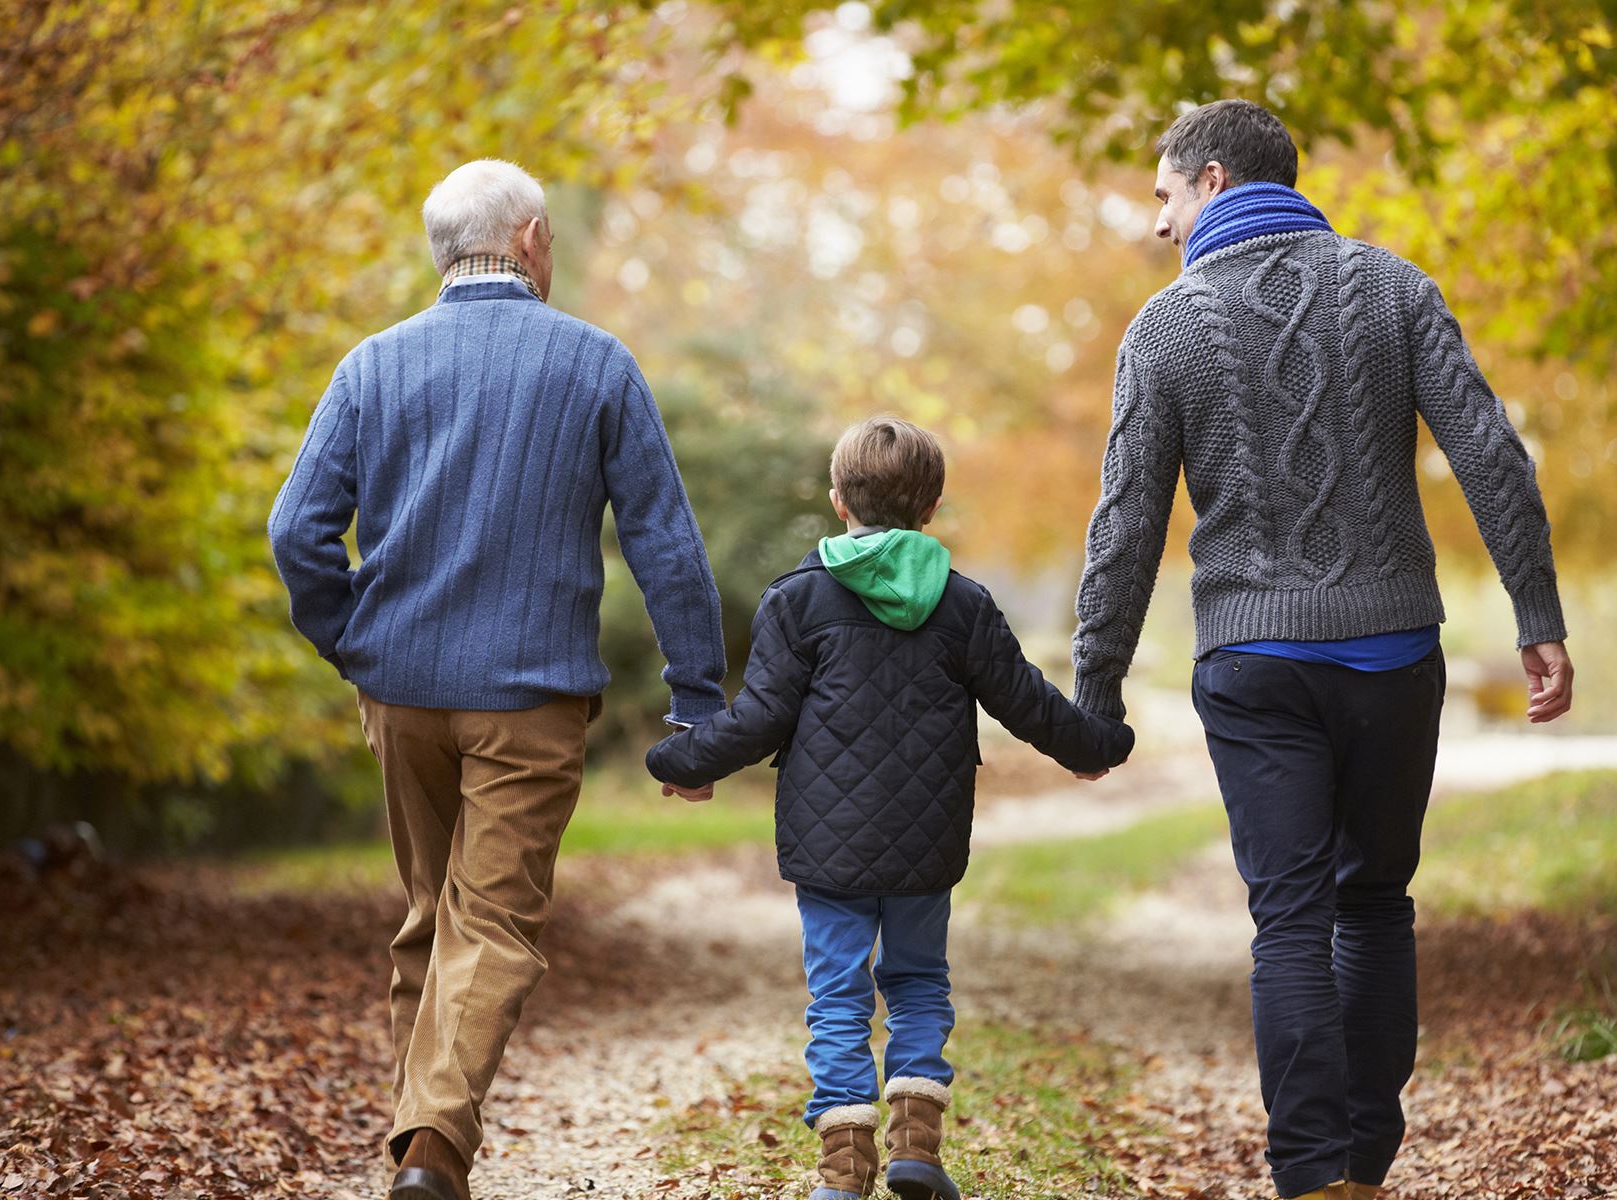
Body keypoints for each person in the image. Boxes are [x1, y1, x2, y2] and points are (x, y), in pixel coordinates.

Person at [1069, 100, 1576, 1200]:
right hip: (1394, 651)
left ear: (1210, 179)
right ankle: (1365, 1159)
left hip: (1254, 662)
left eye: (1162, 195)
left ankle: (1313, 1178)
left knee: (1289, 918)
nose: (1159, 225)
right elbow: (1492, 454)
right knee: (1375, 902)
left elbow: (1126, 523)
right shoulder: (1395, 288)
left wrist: (1095, 690)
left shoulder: (1166, 327)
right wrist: (1537, 618)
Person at [267, 159, 726, 1200]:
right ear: (526, 239)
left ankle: (420, 1158)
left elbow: (295, 531)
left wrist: (354, 641)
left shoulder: (372, 367)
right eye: (552, 238)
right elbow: (665, 543)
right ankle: (430, 1149)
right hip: (529, 698)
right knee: (495, 927)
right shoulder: (597, 365)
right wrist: (697, 702)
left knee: (433, 916)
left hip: (402, 694)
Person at [647, 416, 1133, 1200]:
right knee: (916, 982)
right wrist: (1094, 746)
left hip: (826, 840)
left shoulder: (798, 602)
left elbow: (760, 716)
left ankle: (843, 1167)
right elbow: (1028, 702)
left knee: (838, 992)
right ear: (932, 507)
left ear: (838, 500)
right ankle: (915, 1144)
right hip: (926, 840)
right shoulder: (963, 605)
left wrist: (682, 761)